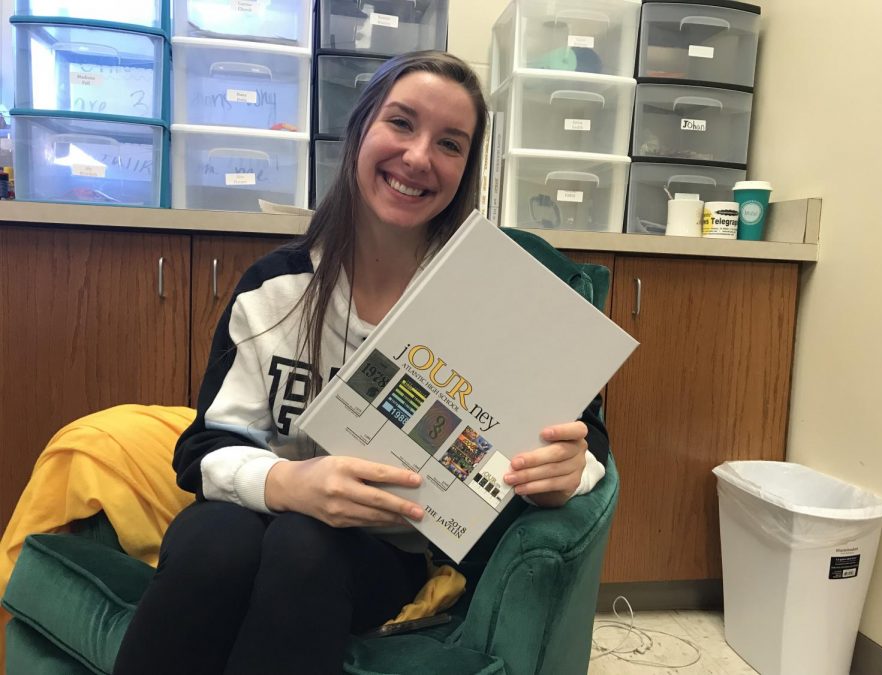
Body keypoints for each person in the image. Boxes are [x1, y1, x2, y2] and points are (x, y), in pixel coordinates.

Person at [113, 50, 610, 675]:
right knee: (218, 540)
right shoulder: (274, 288)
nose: (419, 156)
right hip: (251, 515)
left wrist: (571, 467)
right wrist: (288, 484)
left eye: (451, 144)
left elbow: (589, 441)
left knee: (305, 545)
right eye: (401, 123)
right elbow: (205, 445)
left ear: (466, 170)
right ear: (359, 133)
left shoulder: (498, 298)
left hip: (382, 548)